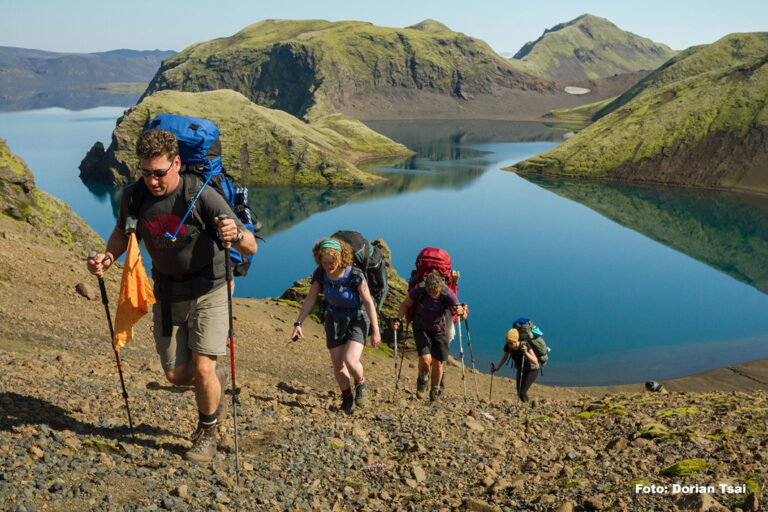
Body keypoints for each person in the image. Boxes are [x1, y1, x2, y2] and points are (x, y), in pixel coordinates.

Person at [87, 128, 257, 464]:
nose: (152, 181)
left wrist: (235, 232)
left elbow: (250, 244)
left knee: (204, 368)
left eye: (159, 173)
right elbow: (123, 232)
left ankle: (207, 432)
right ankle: (215, 381)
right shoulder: (135, 196)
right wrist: (107, 258)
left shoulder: (202, 195)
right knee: (177, 375)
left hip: (210, 286)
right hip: (167, 289)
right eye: (146, 173)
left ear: (177, 163)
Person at [291, 238, 381, 414]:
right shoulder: (320, 274)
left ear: (340, 258)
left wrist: (375, 330)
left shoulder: (355, 275)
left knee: (350, 360)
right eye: (324, 262)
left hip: (357, 317)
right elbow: (310, 299)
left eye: (331, 262)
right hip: (334, 319)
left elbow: (369, 302)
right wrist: (298, 323)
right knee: (338, 364)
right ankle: (347, 397)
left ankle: (360, 382)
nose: (328, 266)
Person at [393, 271, 467, 402]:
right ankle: (423, 380)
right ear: (426, 287)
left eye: (436, 292)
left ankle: (435, 390)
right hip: (421, 327)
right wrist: (398, 319)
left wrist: (462, 312)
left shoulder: (447, 292)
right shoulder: (420, 289)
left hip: (439, 329)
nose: (433, 294)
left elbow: (461, 314)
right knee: (425, 358)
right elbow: (405, 304)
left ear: (440, 287)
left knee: (438, 363)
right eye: (430, 292)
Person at [490, 328, 546, 402]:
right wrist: (497, 368)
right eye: (507, 342)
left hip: (532, 369)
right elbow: (504, 357)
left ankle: (527, 406)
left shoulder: (525, 345)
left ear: (516, 341)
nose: (509, 345)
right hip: (521, 368)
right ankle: (525, 405)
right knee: (519, 391)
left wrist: (526, 352)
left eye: (511, 343)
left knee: (522, 392)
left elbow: (535, 361)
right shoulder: (507, 346)